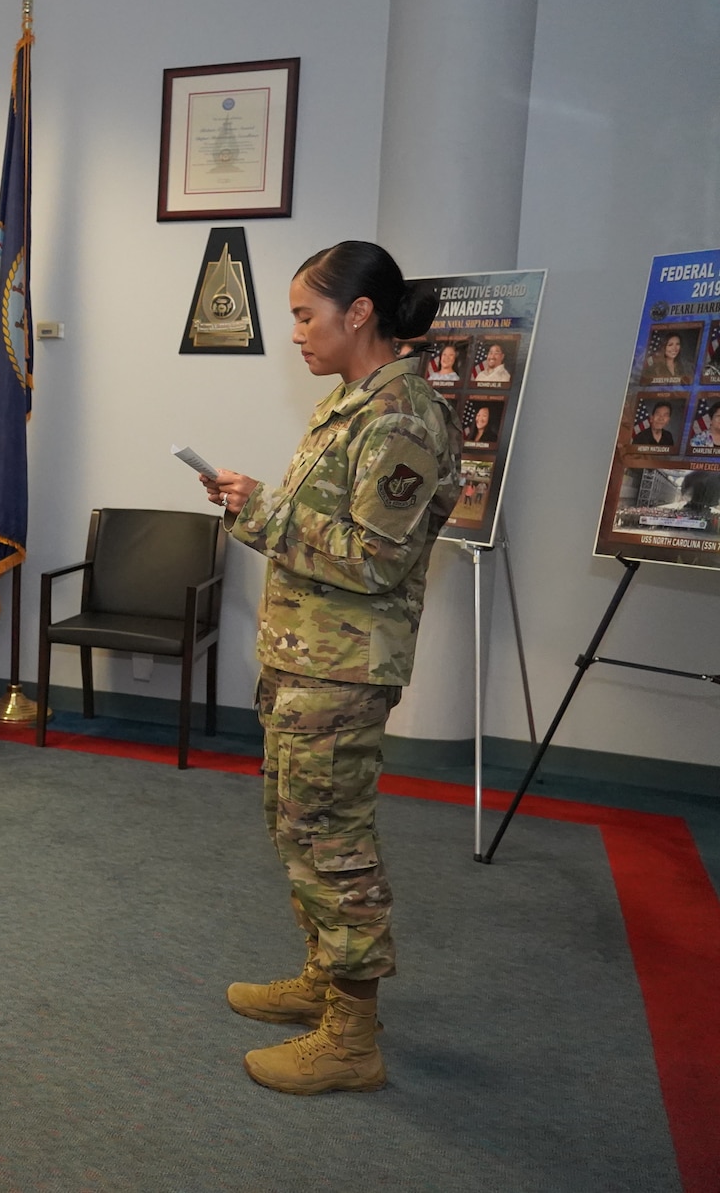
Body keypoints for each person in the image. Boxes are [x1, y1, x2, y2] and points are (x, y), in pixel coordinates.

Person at [200, 241, 459, 1096]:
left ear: (360, 314)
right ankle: (323, 980)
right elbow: (320, 530)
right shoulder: (348, 404)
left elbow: (376, 558)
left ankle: (352, 1036)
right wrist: (254, 507)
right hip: (305, 658)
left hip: (344, 671)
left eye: (308, 316)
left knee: (334, 843)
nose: (298, 336)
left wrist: (262, 510)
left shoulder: (402, 418)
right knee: (297, 826)